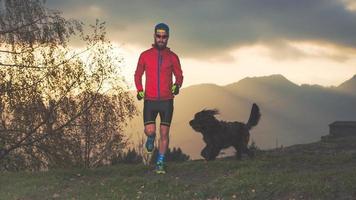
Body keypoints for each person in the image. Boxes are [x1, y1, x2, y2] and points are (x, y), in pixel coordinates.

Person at [134, 23, 183, 174]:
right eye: (158, 36)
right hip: (150, 100)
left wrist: (177, 85)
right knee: (150, 131)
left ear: (168, 38)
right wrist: (140, 90)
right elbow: (137, 74)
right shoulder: (145, 55)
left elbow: (179, 75)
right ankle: (150, 137)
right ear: (154, 36)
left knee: (164, 133)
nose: (161, 39)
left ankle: (160, 163)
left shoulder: (173, 57)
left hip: (167, 101)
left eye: (164, 36)